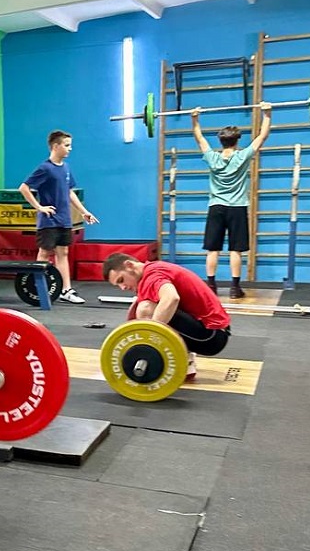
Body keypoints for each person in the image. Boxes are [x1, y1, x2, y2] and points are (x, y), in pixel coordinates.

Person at [102, 253, 231, 380]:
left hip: (212, 336)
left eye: (121, 280)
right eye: (118, 285)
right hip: (212, 331)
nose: (123, 287)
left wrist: (150, 341)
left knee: (146, 309)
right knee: (141, 309)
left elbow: (171, 298)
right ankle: (184, 358)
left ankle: (183, 359)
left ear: (129, 265)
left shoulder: (153, 276)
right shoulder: (151, 271)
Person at [192, 103, 272, 298]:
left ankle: (211, 286)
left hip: (216, 207)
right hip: (237, 208)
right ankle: (235, 289)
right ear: (237, 141)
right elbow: (262, 137)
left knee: (213, 249)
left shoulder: (212, 157)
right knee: (236, 250)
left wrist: (194, 119)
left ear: (221, 142)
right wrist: (267, 114)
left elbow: (199, 138)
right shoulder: (242, 156)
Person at [18, 130, 98, 304]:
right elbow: (24, 188)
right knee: (44, 253)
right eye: (67, 145)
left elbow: (69, 192)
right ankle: (39, 289)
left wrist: (84, 211)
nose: (70, 148)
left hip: (64, 219)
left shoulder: (66, 168)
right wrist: (39, 207)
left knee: (63, 252)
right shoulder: (45, 168)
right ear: (56, 146)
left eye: (70, 145)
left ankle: (66, 290)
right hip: (48, 221)